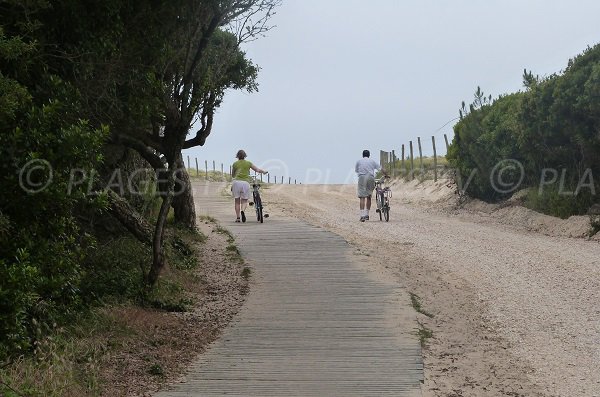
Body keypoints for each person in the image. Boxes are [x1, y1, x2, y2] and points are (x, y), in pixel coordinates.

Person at [231, 150, 267, 223]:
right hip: (245, 183)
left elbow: (233, 175)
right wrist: (263, 172)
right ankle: (242, 211)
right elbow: (257, 170)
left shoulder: (235, 164)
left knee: (237, 201)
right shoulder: (248, 163)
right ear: (245, 156)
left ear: (237, 156)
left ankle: (238, 218)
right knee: (244, 200)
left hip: (236, 183)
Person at [355, 149, 387, 222]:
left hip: (362, 177)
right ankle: (367, 215)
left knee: (362, 197)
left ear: (362, 155)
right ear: (369, 155)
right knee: (369, 196)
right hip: (370, 177)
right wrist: (386, 175)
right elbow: (381, 169)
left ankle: (362, 215)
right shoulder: (372, 161)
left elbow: (356, 171)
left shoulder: (359, 161)